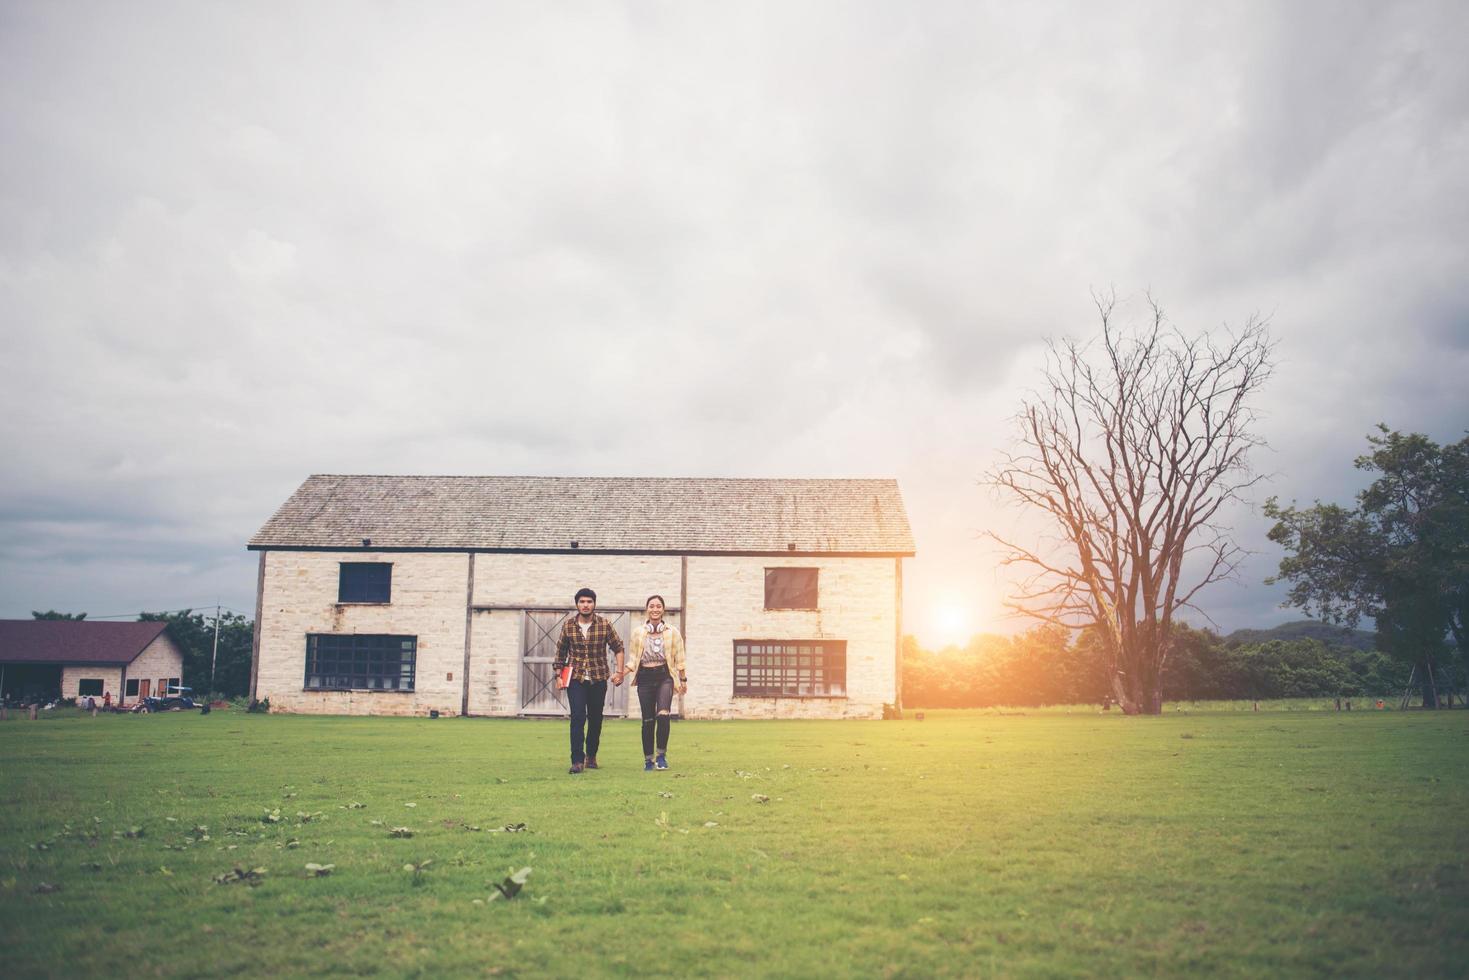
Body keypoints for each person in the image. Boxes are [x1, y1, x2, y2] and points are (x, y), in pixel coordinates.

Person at [553, 587, 625, 775]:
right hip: (575, 678)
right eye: (582, 602)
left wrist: (619, 672)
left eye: (589, 601)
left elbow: (618, 648)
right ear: (577, 604)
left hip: (598, 678)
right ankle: (577, 760)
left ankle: (591, 755)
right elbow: (560, 653)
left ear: (594, 604)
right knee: (577, 717)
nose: (585, 605)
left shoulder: (604, 625)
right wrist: (558, 677)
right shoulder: (568, 626)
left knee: (595, 718)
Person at [618, 595, 686, 771]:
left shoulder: (673, 632)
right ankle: (648, 759)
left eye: (658, 606)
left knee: (663, 715)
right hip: (645, 678)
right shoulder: (638, 633)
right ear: (647, 609)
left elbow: (680, 658)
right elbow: (633, 660)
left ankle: (661, 756)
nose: (655, 609)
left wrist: (683, 679)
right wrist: (621, 674)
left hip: (665, 676)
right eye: (651, 606)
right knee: (648, 720)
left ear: (663, 609)